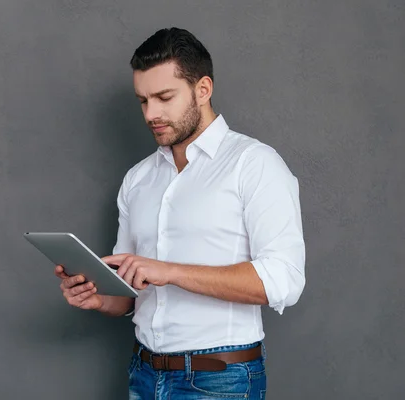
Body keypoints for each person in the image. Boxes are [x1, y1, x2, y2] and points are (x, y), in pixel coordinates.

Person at [54, 27, 305, 399]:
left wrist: (168, 271)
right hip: (144, 373)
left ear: (203, 89)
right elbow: (128, 294)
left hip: (219, 380)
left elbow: (283, 280)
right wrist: (100, 297)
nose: (150, 114)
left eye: (164, 97)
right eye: (143, 101)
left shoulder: (254, 165)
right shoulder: (137, 179)